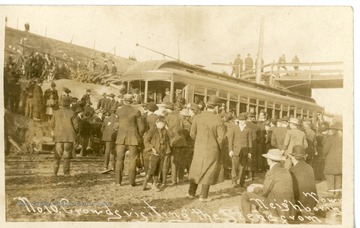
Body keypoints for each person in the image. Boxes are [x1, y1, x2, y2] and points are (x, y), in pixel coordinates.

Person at [187, 95, 226, 201]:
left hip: (199, 148)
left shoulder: (197, 117)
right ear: (217, 107)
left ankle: (191, 193)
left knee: (196, 168)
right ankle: (203, 196)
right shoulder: (219, 120)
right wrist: (217, 147)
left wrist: (200, 141)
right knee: (208, 171)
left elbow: (192, 134)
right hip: (212, 150)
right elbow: (221, 139)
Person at [240, 149, 295, 223]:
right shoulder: (286, 171)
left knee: (245, 195)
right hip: (288, 208)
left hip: (275, 207)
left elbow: (264, 192)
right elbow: (275, 186)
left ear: (269, 160)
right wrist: (259, 186)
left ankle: (248, 221)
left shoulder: (271, 172)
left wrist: (253, 189)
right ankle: (265, 217)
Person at [113, 94, 145, 186]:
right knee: (133, 160)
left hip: (120, 139)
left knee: (119, 160)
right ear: (132, 101)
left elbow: (116, 125)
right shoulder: (136, 111)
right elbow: (141, 127)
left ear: (124, 100)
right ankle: (131, 182)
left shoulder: (119, 111)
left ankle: (118, 182)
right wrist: (138, 136)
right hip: (133, 138)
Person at [50, 97, 79, 176]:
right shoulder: (72, 113)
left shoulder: (56, 113)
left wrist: (54, 131)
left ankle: (54, 172)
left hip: (58, 137)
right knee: (67, 155)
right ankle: (66, 173)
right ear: (68, 104)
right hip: (69, 137)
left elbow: (51, 124)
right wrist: (75, 133)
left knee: (57, 155)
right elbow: (76, 126)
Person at [143, 117, 171, 191]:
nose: (162, 124)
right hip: (154, 152)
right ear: (157, 123)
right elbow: (146, 141)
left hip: (162, 151)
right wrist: (152, 148)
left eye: (163, 123)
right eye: (160, 123)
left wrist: (168, 129)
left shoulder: (165, 131)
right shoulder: (152, 130)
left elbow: (172, 136)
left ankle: (154, 184)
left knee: (158, 169)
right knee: (152, 168)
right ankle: (146, 181)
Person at [289, 145, 318, 213]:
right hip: (312, 203)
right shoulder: (309, 167)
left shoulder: (292, 170)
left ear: (293, 157)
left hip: (299, 205)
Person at [164, 102, 187, 185]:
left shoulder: (167, 117)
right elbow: (184, 128)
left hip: (171, 140)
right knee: (179, 160)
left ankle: (170, 179)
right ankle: (179, 178)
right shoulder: (181, 116)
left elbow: (165, 128)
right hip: (181, 140)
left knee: (171, 160)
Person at [227, 113, 252, 188]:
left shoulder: (248, 130)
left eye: (243, 120)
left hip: (244, 151)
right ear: (238, 121)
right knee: (234, 167)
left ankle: (242, 182)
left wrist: (250, 152)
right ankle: (234, 181)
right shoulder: (234, 128)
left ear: (245, 121)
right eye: (240, 120)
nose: (242, 121)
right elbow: (230, 140)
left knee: (243, 167)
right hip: (235, 150)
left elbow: (250, 141)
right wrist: (230, 150)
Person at [323, 122, 342, 193]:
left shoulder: (330, 138)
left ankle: (331, 193)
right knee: (338, 177)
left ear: (334, 130)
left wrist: (324, 156)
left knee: (330, 176)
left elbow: (325, 150)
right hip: (340, 162)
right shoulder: (343, 138)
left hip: (331, 161)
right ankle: (337, 192)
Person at [101, 107, 117, 171]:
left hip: (107, 137)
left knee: (107, 151)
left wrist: (106, 133)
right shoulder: (117, 119)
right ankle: (113, 166)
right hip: (114, 137)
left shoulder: (106, 119)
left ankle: (105, 166)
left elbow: (102, 129)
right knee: (114, 151)